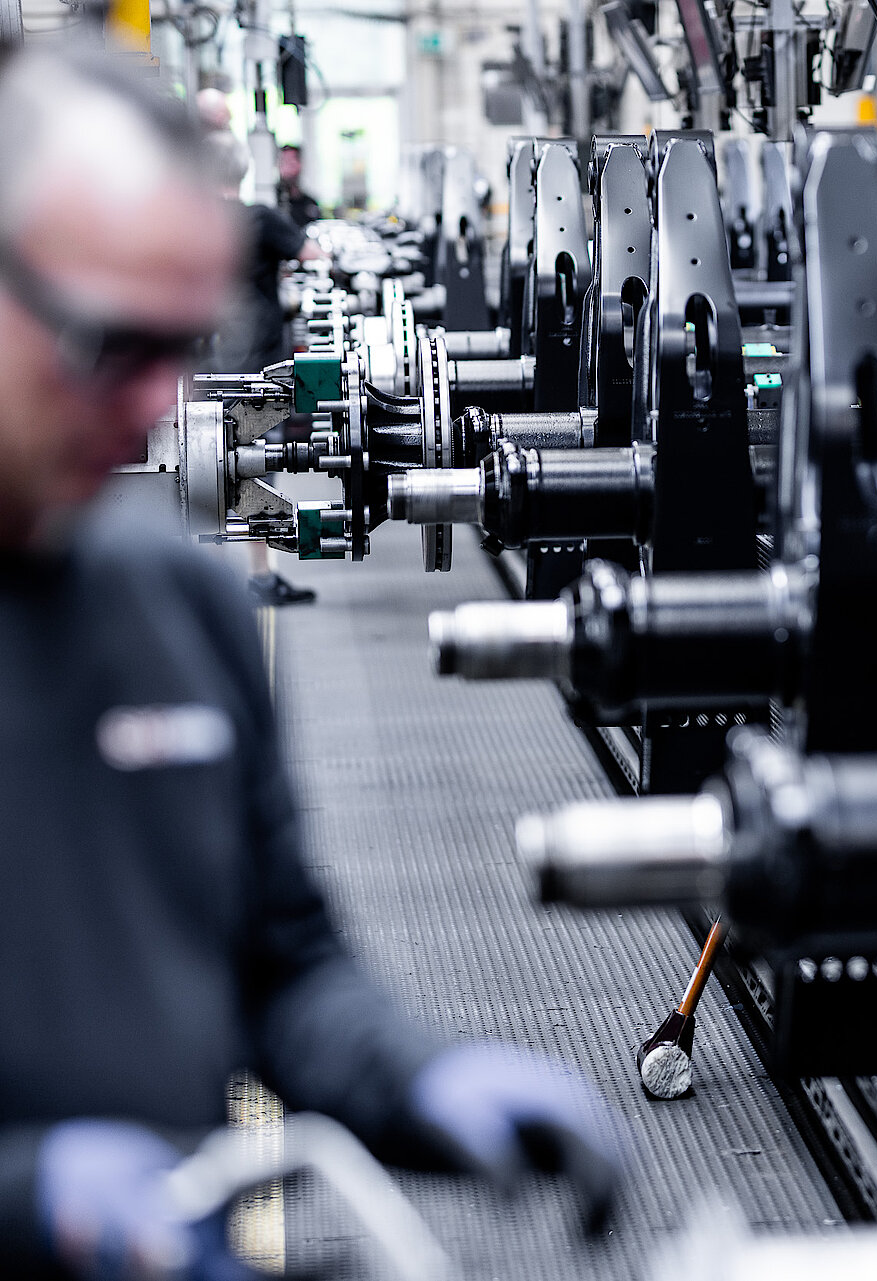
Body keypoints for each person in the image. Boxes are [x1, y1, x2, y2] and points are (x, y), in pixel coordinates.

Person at [0, 46, 626, 1280]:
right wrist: (28, 1192)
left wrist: (415, 1077)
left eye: (182, 345)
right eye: (109, 346)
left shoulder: (176, 602)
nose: (153, 407)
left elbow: (281, 968)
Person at [198, 96, 325, 606]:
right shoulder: (262, 219)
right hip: (260, 371)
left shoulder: (193, 222)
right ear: (244, 169)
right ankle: (259, 577)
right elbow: (315, 254)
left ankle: (205, 583)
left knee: (200, 466)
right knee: (253, 466)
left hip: (204, 367)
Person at [277, 144, 322, 226]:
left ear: (300, 164)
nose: (288, 168)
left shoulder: (310, 203)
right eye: (285, 162)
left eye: (292, 162)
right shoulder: (273, 201)